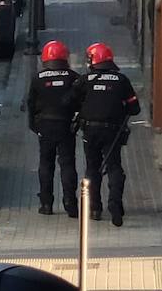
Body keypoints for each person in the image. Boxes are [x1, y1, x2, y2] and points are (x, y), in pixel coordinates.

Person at [76, 43, 141, 227]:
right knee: (114, 167)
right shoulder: (121, 80)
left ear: (92, 61)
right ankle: (115, 205)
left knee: (92, 168)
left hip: (90, 130)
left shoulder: (84, 80)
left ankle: (95, 208)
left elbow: (70, 100)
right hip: (113, 131)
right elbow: (134, 108)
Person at [27, 41, 80, 218]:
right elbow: (80, 102)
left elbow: (31, 105)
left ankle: (46, 203)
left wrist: (35, 126)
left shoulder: (37, 78)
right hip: (66, 125)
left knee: (46, 164)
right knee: (67, 164)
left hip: (45, 125)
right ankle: (71, 203)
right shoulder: (74, 77)